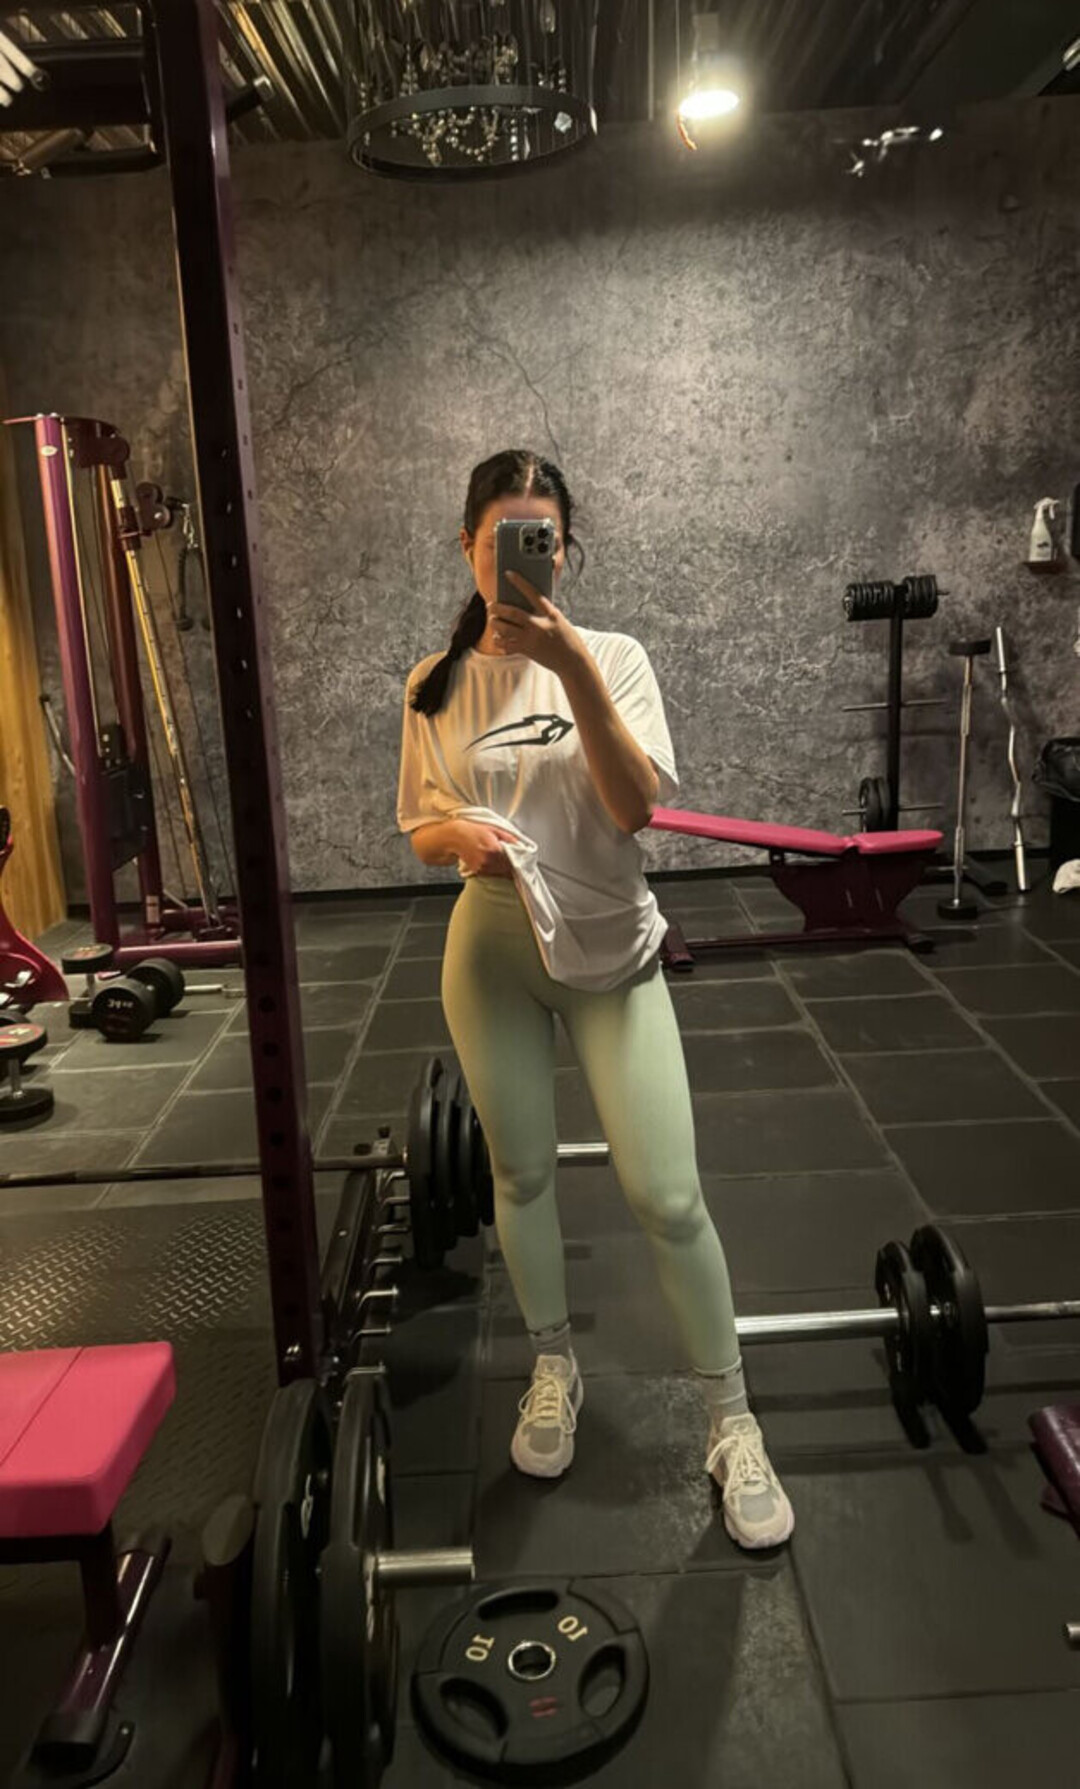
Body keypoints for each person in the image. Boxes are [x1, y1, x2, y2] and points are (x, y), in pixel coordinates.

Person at [396, 449, 793, 1550]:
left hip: (614, 954)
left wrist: (568, 664)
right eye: (501, 539)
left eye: (544, 540)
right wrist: (460, 836)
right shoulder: (433, 683)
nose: (522, 558)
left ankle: (732, 1418)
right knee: (521, 1175)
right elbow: (421, 826)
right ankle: (554, 1366)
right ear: (467, 545)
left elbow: (631, 810)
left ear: (565, 551)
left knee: (667, 1195)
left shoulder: (613, 659)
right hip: (491, 950)